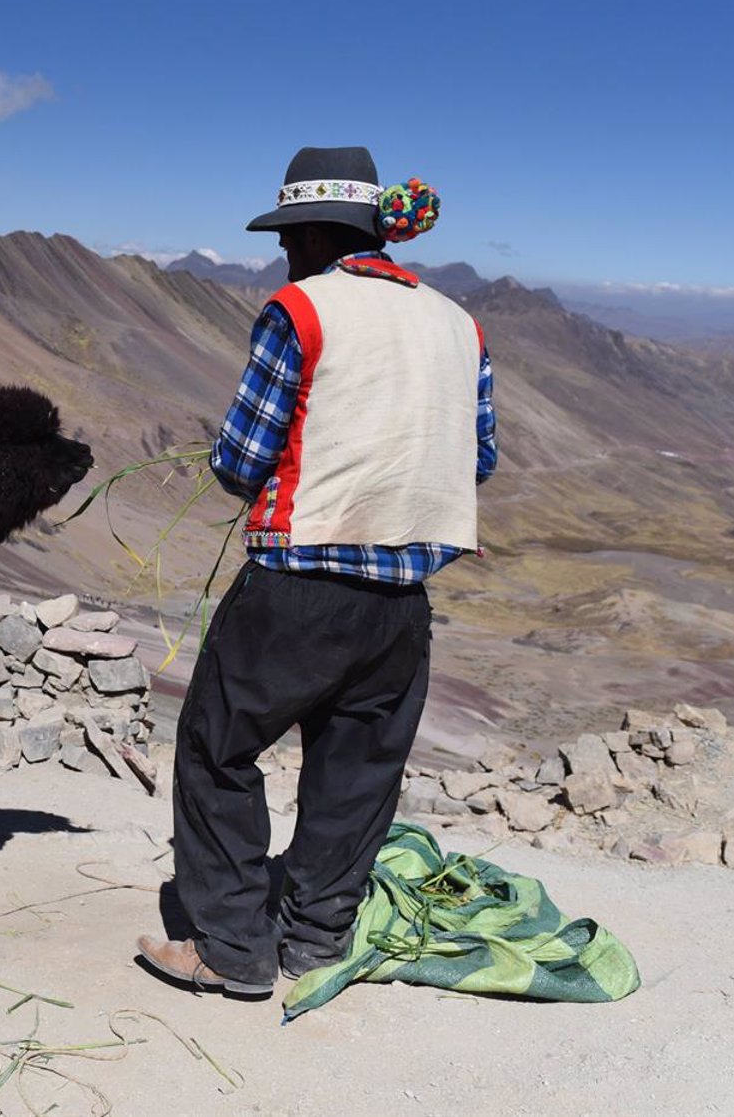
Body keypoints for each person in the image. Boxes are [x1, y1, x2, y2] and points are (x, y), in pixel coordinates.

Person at [137, 146, 497, 997]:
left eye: (286, 239)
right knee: (359, 769)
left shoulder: (299, 308)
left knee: (217, 751)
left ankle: (231, 950)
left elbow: (241, 458)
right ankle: (315, 939)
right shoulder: (458, 323)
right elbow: (475, 458)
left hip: (299, 587)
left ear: (305, 237)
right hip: (403, 602)